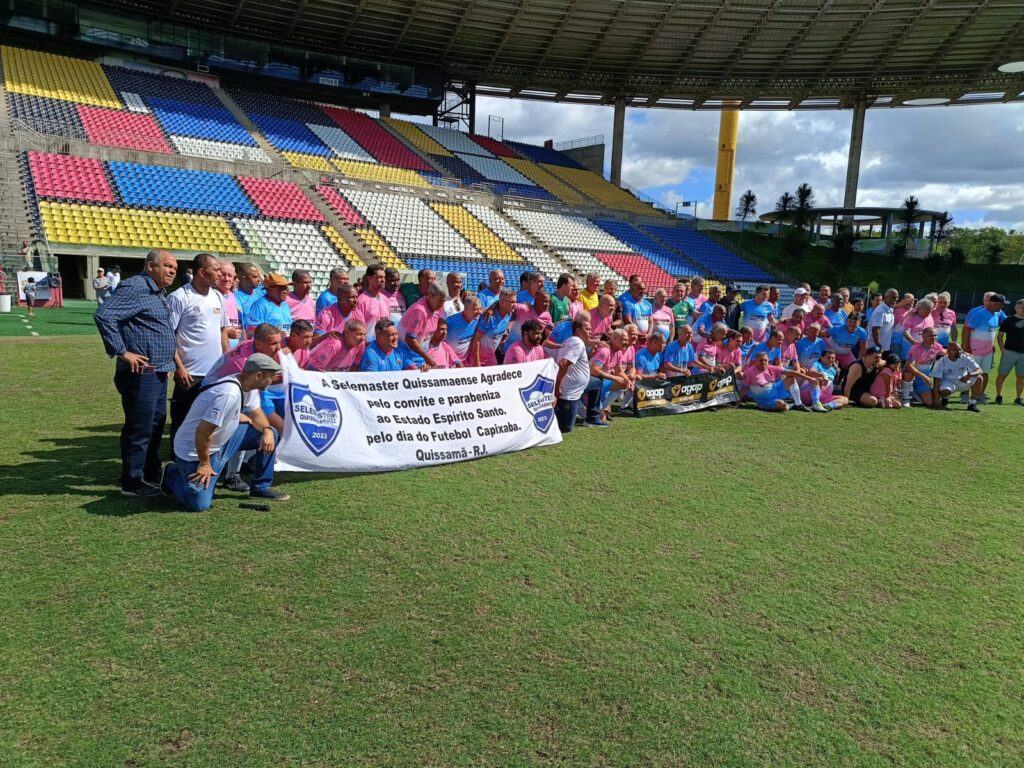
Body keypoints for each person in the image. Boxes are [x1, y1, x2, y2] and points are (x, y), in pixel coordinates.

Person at [94, 250, 178, 497]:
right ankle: (132, 480)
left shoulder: (157, 291)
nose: (172, 271)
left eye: (174, 268)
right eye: (167, 266)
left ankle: (149, 470)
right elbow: (104, 315)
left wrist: (165, 363)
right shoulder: (135, 287)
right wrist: (122, 352)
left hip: (158, 370)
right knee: (140, 425)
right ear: (150, 266)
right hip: (141, 372)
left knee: (156, 422)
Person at [161, 353, 288, 510]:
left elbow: (257, 415)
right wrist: (204, 464)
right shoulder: (228, 394)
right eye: (271, 376)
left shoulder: (247, 385)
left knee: (270, 434)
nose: (273, 379)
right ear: (258, 375)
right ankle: (171, 474)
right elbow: (202, 432)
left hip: (222, 442)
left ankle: (260, 488)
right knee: (199, 504)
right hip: (195, 452)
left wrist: (267, 430)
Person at [167, 254, 229, 438]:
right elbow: (168, 335)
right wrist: (179, 367)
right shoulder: (179, 297)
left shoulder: (218, 296)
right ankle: (177, 455)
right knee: (182, 422)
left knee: (209, 423)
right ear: (201, 272)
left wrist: (227, 361)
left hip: (215, 373)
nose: (220, 274)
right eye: (216, 270)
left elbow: (223, 331)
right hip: (189, 375)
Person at [554, 314, 605, 431]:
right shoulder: (577, 343)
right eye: (588, 329)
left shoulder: (570, 341)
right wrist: (557, 387)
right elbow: (563, 364)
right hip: (569, 392)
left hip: (578, 387)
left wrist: (589, 355)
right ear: (578, 331)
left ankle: (592, 417)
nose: (591, 332)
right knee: (566, 429)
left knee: (597, 382)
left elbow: (575, 362)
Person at [741, 351, 823, 412]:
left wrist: (810, 379)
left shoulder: (772, 368)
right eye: (761, 360)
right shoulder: (749, 372)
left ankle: (799, 404)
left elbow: (793, 373)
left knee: (791, 378)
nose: (763, 362)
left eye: (765, 360)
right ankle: (789, 405)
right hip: (765, 400)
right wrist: (738, 403)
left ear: (768, 360)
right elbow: (744, 388)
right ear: (756, 361)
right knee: (782, 406)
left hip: (776, 390)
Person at [963, 293, 1006, 403]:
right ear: (993, 303)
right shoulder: (979, 314)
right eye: (1001, 304)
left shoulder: (998, 313)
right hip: (975, 350)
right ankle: (965, 395)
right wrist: (967, 346)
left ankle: (979, 395)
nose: (1003, 307)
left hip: (988, 351)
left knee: (985, 373)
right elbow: (968, 329)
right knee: (971, 372)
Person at [399, 281, 446, 369]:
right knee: (416, 373)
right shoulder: (419, 311)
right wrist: (426, 357)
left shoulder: (438, 308)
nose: (442, 304)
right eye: (440, 300)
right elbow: (409, 339)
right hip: (406, 353)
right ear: (430, 295)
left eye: (444, 301)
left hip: (420, 354)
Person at [931, 342, 985, 411]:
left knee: (979, 378)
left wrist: (969, 375)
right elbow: (936, 382)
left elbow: (980, 370)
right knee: (945, 391)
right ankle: (945, 397)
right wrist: (936, 399)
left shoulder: (965, 358)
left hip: (963, 381)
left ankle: (972, 404)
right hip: (948, 382)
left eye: (959, 349)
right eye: (955, 350)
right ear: (948, 351)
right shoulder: (941, 361)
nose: (958, 352)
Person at [902, 326, 944, 407]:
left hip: (923, 380)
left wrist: (961, 352)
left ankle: (914, 393)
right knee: (908, 374)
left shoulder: (937, 346)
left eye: (935, 335)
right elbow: (908, 366)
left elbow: (946, 352)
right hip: (915, 377)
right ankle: (905, 398)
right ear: (924, 337)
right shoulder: (915, 348)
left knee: (929, 402)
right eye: (931, 336)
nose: (934, 338)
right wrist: (924, 376)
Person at [474, 288, 516, 366]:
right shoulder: (488, 317)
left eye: (515, 302)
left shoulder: (509, 314)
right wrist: (477, 363)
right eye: (512, 302)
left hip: (490, 357)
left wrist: (505, 332)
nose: (515, 305)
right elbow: (476, 341)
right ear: (502, 302)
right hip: (477, 358)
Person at [995, 298, 1024, 406]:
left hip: (1023, 354)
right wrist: (1003, 350)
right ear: (1016, 308)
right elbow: (1000, 336)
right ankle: (999, 396)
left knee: (1021, 377)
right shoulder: (1008, 320)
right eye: (1023, 308)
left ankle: (1018, 398)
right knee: (1002, 375)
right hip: (1009, 352)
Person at [444, 294, 482, 365]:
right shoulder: (451, 321)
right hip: (450, 362)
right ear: (466, 309)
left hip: (464, 362)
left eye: (480, 308)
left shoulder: (476, 318)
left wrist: (492, 308)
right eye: (475, 309)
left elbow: (489, 310)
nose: (479, 312)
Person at [356, 264, 393, 328]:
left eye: (384, 277)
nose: (383, 280)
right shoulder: (361, 301)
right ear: (369, 278)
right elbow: (357, 327)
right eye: (379, 277)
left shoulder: (385, 299)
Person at [234, 263, 264, 328]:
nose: (259, 280)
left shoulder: (262, 292)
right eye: (255, 277)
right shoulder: (236, 297)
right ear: (244, 278)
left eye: (259, 276)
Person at [868, 288, 898, 353]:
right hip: (876, 348)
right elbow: (875, 330)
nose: (895, 299)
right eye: (893, 297)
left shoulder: (890, 308)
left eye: (897, 297)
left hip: (885, 346)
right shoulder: (880, 311)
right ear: (886, 297)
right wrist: (879, 345)